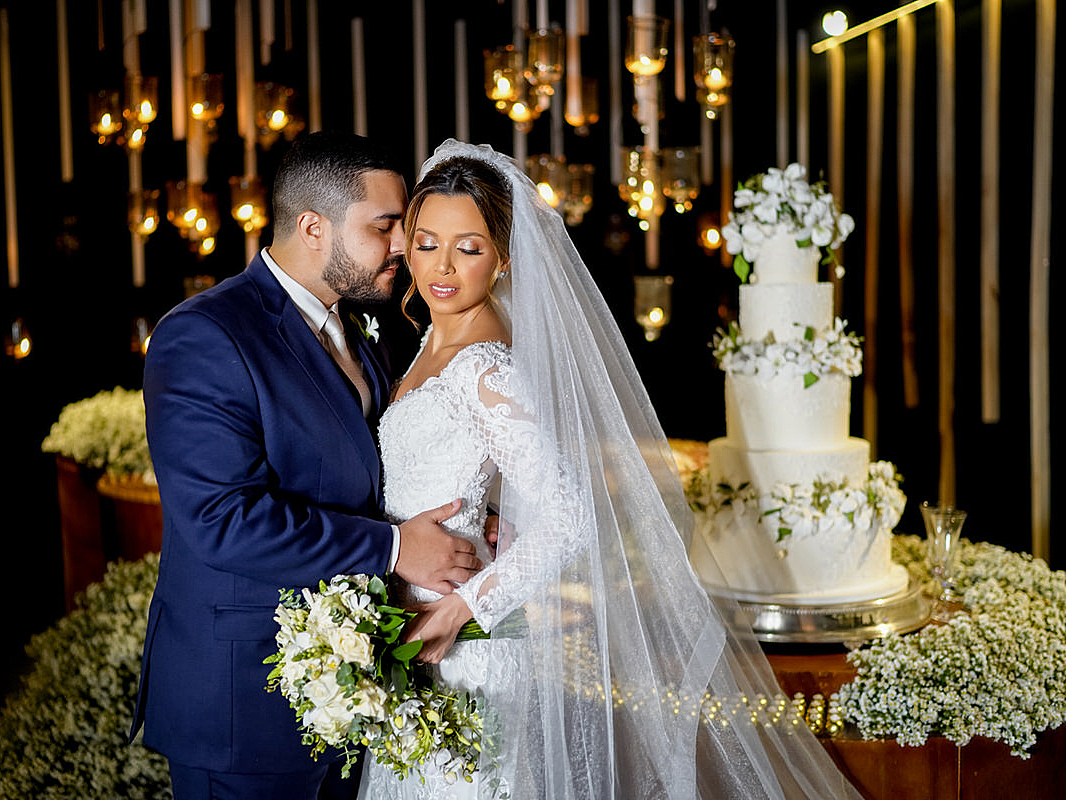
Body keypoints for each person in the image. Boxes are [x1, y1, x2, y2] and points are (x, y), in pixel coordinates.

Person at [356, 140, 864, 799]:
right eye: (427, 243)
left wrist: (462, 609)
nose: (442, 266)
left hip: (467, 652)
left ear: (503, 256)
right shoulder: (435, 338)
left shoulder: (484, 367)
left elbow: (569, 514)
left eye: (469, 247)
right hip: (414, 636)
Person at [129, 131, 483, 800]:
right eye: (384, 226)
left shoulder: (362, 326)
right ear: (314, 227)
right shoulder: (205, 334)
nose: (404, 246)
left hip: (357, 693)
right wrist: (394, 547)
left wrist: (464, 516)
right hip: (242, 703)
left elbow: (365, 467)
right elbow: (221, 521)